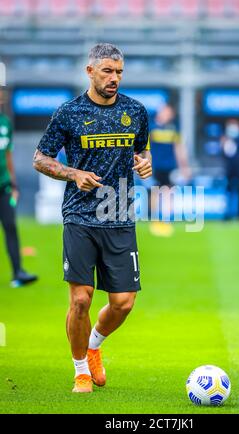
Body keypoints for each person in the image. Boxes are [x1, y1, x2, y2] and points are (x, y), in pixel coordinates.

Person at [33, 43, 152, 393]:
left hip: (119, 214)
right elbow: (41, 158)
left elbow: (141, 149)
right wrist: (73, 174)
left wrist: (144, 161)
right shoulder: (69, 112)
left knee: (123, 303)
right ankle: (81, 370)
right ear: (90, 72)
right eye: (107, 71)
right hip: (80, 216)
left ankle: (95, 345)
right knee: (81, 299)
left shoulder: (135, 110)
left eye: (118, 72)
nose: (114, 78)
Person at [0, 89, 38, 287]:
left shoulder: (5, 123)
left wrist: (14, 183)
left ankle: (18, 273)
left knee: (10, 227)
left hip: (4, 186)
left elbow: (7, 156)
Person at [149, 103, 191, 236]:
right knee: (155, 193)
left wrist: (184, 167)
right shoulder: (151, 127)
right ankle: (155, 220)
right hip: (154, 166)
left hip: (169, 167)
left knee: (168, 193)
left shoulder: (173, 129)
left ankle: (166, 221)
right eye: (165, 111)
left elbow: (179, 149)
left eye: (169, 112)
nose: (167, 114)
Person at [220, 118, 239, 219]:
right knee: (228, 192)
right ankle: (227, 214)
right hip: (229, 170)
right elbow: (225, 155)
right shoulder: (225, 140)